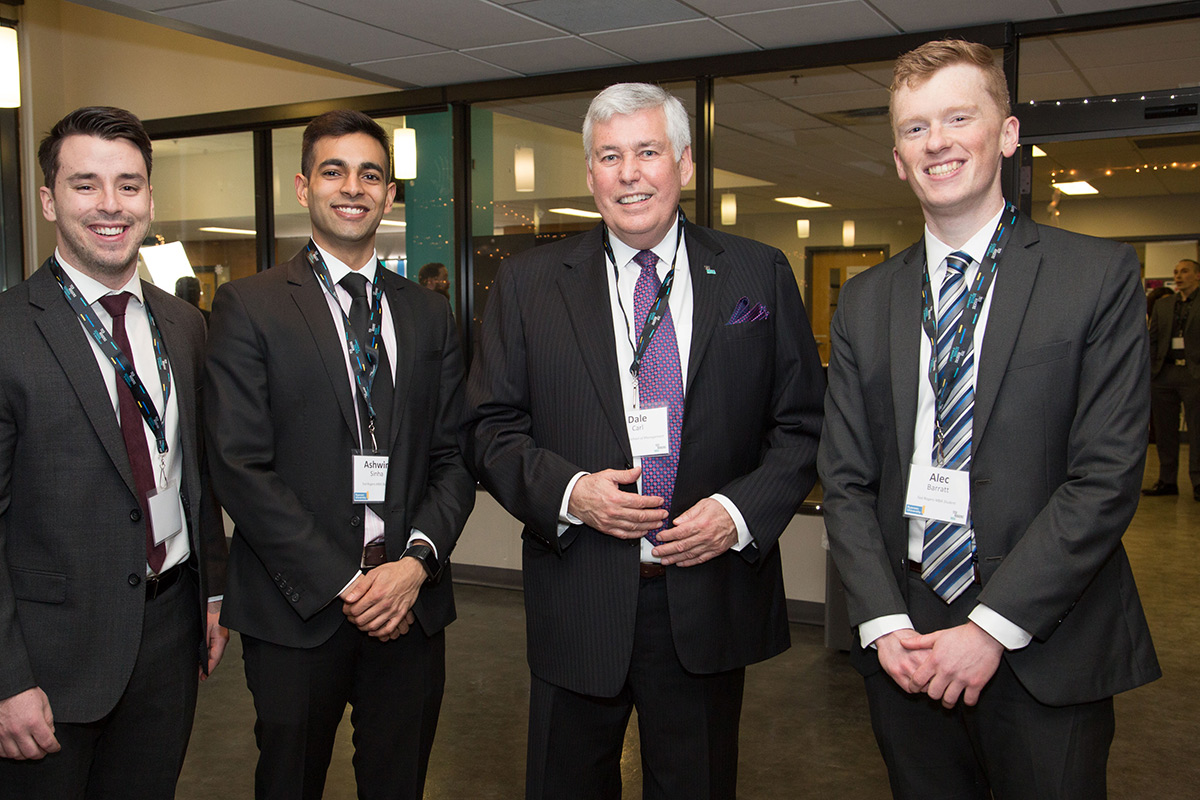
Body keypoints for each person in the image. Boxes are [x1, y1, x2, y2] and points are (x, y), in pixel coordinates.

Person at [818, 40, 1160, 799]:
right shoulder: (867, 300)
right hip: (905, 642)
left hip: (1046, 642)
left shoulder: (1095, 278)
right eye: (914, 129)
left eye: (957, 118)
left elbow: (1104, 478)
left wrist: (990, 628)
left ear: (1006, 135)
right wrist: (879, 624)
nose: (936, 142)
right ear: (900, 159)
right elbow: (843, 480)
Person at [466, 82, 824, 799]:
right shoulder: (529, 285)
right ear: (591, 173)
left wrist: (738, 511)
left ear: (684, 165)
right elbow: (489, 427)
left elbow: (802, 424)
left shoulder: (759, 273)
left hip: (706, 596)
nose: (629, 173)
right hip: (580, 593)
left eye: (648, 152)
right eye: (609, 156)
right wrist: (571, 494)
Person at [204, 110, 475, 799]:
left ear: (389, 196)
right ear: (304, 186)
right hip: (299, 611)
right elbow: (240, 464)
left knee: (399, 783)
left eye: (370, 174)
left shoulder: (427, 314)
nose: (352, 187)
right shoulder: (250, 306)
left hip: (409, 609)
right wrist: (347, 582)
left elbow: (454, 457)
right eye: (334, 170)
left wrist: (414, 564)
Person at [0, 106, 228, 798]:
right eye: (85, 184)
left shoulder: (185, 326)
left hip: (168, 637)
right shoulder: (8, 331)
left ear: (150, 199)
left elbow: (196, 477)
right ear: (48, 199)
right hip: (49, 659)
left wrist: (212, 591)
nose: (110, 205)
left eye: (129, 185)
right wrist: (6, 681)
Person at [1143, 258, 1199, 499]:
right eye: (1175, 272)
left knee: (1197, 430)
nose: (1178, 276)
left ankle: (1198, 481)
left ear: (1197, 275)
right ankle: (1167, 481)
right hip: (1164, 374)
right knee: (1165, 431)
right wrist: (1153, 369)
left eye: (1184, 271)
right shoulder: (1163, 306)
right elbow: (1152, 339)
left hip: (1193, 373)